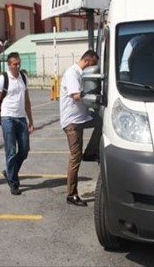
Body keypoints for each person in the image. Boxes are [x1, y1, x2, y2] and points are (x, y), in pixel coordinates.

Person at [59, 49, 101, 207]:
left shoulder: (80, 74)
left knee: (102, 120)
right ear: (87, 61)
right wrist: (94, 96)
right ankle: (71, 194)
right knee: (75, 157)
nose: (93, 68)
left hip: (82, 118)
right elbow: (76, 96)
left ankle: (90, 153)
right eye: (94, 65)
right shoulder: (72, 73)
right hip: (72, 122)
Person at [0, 52, 35, 195]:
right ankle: (13, 182)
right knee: (10, 150)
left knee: (24, 150)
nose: (17, 66)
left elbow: (27, 101)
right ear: (9, 65)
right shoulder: (2, 79)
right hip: (7, 118)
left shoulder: (23, 77)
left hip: (21, 118)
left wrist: (30, 120)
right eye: (15, 64)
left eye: (19, 63)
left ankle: (10, 171)